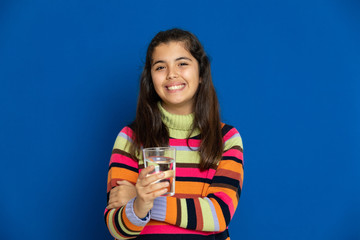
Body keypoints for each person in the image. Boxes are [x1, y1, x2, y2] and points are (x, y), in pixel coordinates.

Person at [104, 28, 244, 240]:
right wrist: (140, 205)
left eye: (182, 63)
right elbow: (117, 229)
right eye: (160, 67)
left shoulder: (226, 138)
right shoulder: (129, 138)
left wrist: (145, 201)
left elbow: (219, 215)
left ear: (201, 73)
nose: (172, 74)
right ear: (150, 78)